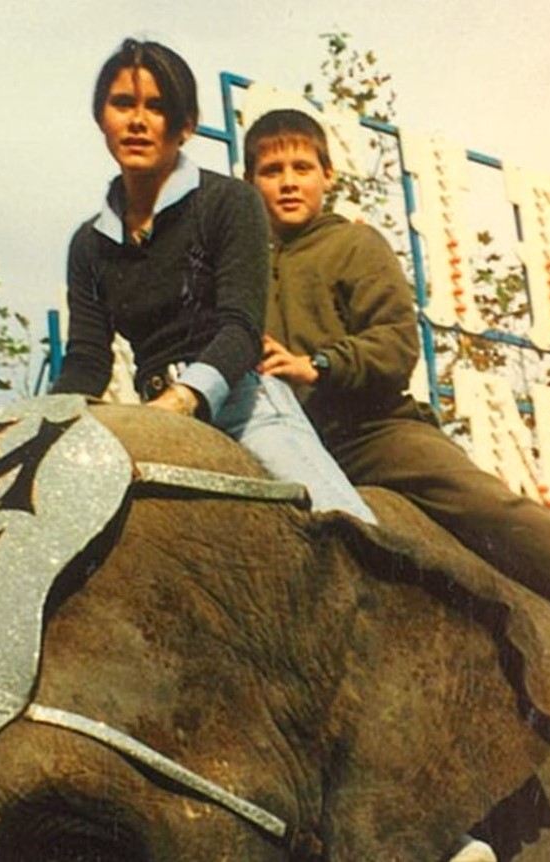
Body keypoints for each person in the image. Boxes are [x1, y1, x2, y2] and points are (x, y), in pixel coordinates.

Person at [246, 107, 550, 759]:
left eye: (302, 167)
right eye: (271, 170)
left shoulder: (355, 246)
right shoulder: (243, 265)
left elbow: (395, 344)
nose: (288, 181)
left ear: (328, 175)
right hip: (286, 439)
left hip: (370, 430)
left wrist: (323, 364)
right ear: (249, 182)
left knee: (485, 506)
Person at [50, 38, 374, 523]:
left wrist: (181, 401)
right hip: (150, 413)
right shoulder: (88, 245)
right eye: (123, 104)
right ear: (102, 118)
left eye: (157, 107)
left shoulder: (229, 201)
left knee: (344, 525)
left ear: (185, 125)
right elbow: (86, 362)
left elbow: (241, 327)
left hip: (243, 408)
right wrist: (43, 429)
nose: (138, 121)